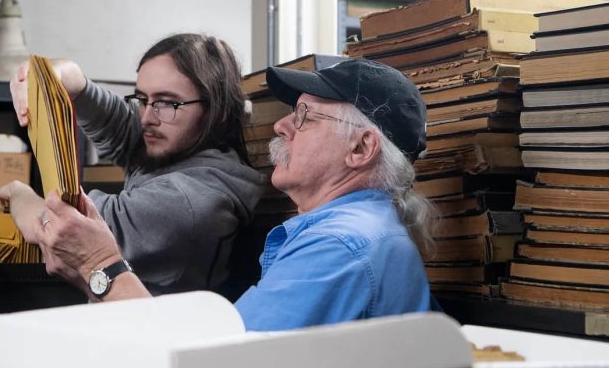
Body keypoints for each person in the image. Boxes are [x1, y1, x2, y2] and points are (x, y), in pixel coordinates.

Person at [33, 58, 438, 331]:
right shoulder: (360, 230)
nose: (281, 126)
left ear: (361, 149)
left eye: (305, 116)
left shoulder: (339, 246)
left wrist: (99, 265)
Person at [0, 33, 263, 296]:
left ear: (218, 111)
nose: (147, 117)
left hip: (144, 323)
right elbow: (89, 97)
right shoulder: (179, 146)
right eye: (142, 99)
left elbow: (63, 224)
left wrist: (18, 193)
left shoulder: (186, 200)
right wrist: (52, 75)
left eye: (167, 102)